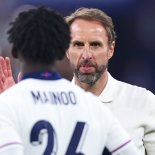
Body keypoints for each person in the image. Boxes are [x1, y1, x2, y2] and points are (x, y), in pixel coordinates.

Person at [0, 6, 141, 155]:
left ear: (14, 51)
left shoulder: (8, 104)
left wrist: (14, 100)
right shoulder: (93, 105)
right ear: (63, 53)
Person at [65, 7, 155, 155]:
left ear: (110, 49)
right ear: (67, 50)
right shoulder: (49, 105)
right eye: (78, 44)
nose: (86, 55)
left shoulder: (143, 101)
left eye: (95, 45)